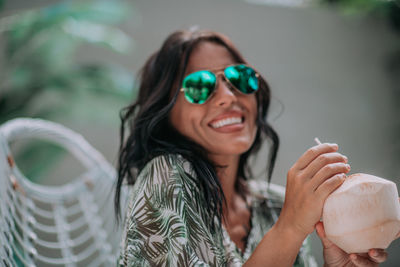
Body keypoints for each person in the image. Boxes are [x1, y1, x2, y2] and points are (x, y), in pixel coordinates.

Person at [114, 29, 389, 266]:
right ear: (166, 111)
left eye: (239, 78)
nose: (228, 96)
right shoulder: (164, 175)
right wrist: (290, 227)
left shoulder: (273, 205)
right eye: (199, 85)